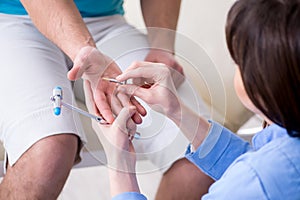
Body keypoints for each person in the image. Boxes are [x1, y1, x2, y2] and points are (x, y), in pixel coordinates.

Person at [85, 0, 300, 199]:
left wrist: (119, 165)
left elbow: (254, 178)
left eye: (239, 63)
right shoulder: (275, 162)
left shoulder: (255, 180)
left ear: (266, 80)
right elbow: (250, 164)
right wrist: (176, 109)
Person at [0, 0, 210, 199]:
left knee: (202, 154)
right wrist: (84, 50)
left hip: (105, 21)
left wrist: (162, 47)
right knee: (46, 154)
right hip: (14, 18)